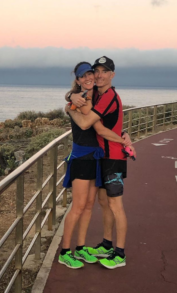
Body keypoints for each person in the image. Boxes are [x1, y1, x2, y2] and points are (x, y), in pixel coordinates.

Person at [58, 61, 132, 269]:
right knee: (79, 206)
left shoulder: (96, 96)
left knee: (90, 206)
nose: (92, 77)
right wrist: (70, 104)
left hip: (98, 157)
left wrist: (122, 136)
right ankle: (65, 252)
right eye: (87, 75)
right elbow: (84, 123)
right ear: (78, 80)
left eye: (94, 73)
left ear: (110, 75)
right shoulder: (83, 97)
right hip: (83, 158)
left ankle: (81, 248)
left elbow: (100, 124)